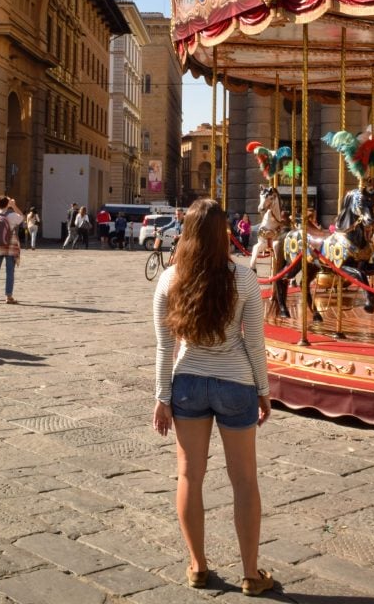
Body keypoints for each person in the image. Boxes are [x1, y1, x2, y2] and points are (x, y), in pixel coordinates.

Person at [152, 199, 274, 597]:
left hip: (187, 381)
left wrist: (162, 397)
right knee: (244, 480)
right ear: (225, 232)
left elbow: (164, 347)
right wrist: (263, 391)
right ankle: (251, 574)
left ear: (185, 232)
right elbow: (254, 343)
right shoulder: (243, 277)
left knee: (189, 475)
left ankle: (198, 566)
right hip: (236, 383)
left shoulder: (170, 279)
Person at [0, 195, 24, 304]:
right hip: (10, 244)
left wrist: (1, 206)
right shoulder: (11, 215)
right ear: (7, 204)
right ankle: (8, 296)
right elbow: (21, 217)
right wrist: (13, 205)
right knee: (10, 271)